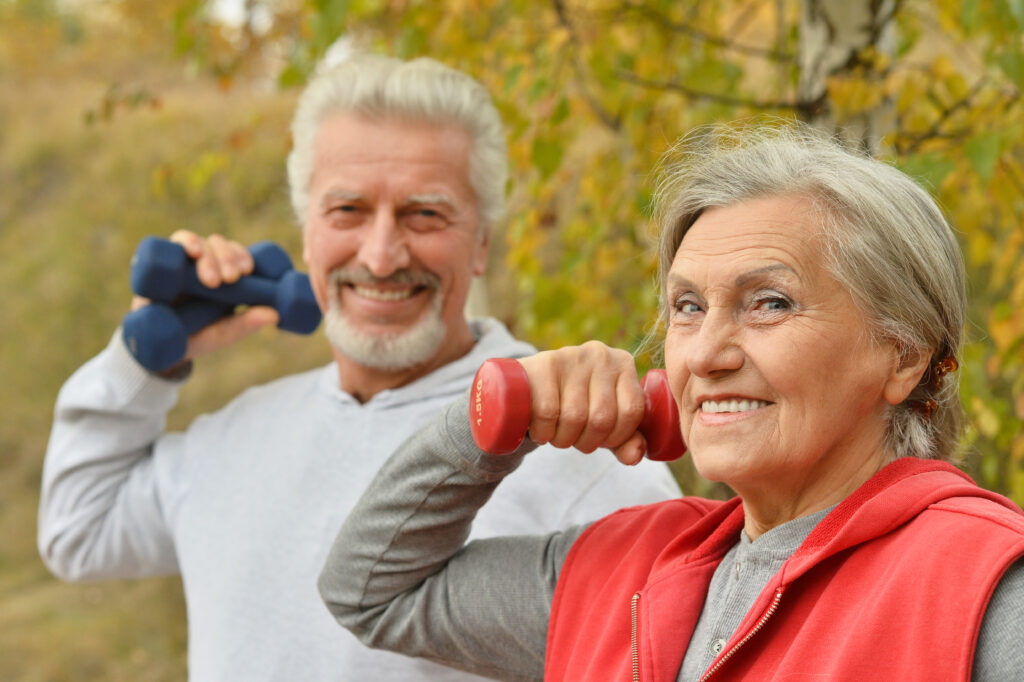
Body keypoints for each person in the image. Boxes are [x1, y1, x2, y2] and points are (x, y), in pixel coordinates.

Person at [37, 55, 681, 682]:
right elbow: (77, 532)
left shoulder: (578, 440)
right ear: (306, 234)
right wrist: (142, 359)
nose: (380, 256)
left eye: (423, 214)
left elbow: (666, 654)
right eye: (347, 211)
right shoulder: (236, 434)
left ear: (482, 241)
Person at [318, 122, 1024, 681]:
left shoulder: (987, 588)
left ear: (903, 355)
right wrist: (500, 417)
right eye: (687, 307)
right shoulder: (616, 571)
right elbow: (371, 589)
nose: (706, 354)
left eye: (769, 303)